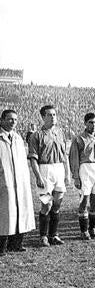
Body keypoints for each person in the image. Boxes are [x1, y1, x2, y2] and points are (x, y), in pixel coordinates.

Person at [28, 105, 71, 247]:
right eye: (49, 115)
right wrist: (38, 176)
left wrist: (68, 173)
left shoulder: (60, 133)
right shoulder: (36, 136)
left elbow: (64, 155)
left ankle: (53, 235)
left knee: (57, 204)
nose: (53, 117)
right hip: (44, 170)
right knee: (47, 204)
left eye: (54, 114)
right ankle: (43, 236)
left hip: (59, 169)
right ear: (43, 117)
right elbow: (33, 159)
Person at [0, 110, 35, 256]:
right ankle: (1, 246)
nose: (13, 122)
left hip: (19, 181)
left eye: (15, 119)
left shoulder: (18, 138)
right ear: (1, 120)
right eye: (9, 119)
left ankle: (16, 244)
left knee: (20, 211)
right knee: (4, 213)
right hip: (4, 180)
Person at [69, 112, 95, 240]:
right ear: (85, 123)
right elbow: (74, 158)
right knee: (84, 201)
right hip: (84, 169)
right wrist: (76, 177)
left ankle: (93, 229)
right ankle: (84, 231)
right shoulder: (79, 138)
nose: (93, 125)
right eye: (90, 122)